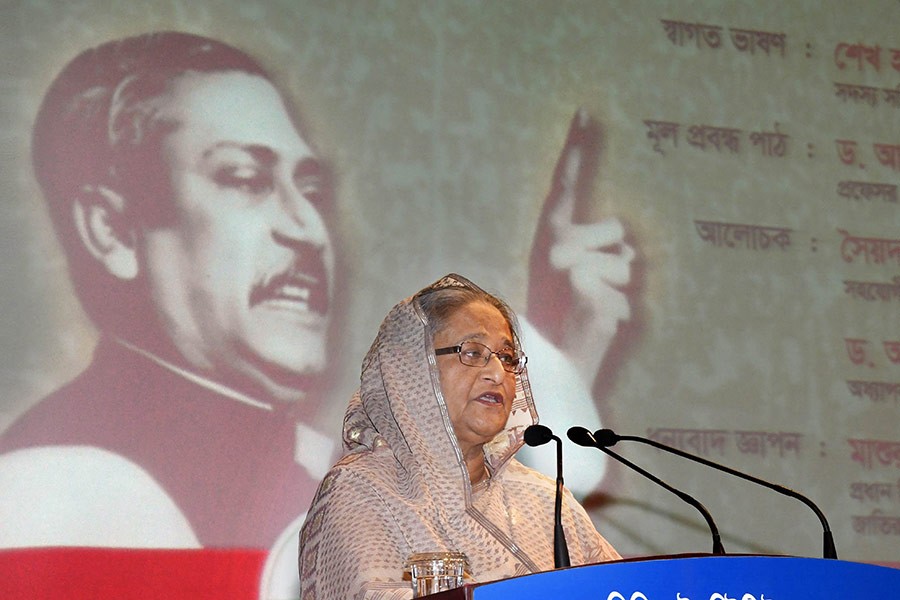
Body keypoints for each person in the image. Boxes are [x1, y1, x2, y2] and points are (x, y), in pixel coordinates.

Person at [0, 31, 338, 595]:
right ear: (112, 230)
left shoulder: (333, 464)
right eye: (246, 180)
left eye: (308, 189)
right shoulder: (49, 489)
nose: (309, 230)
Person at [298, 274, 620, 599]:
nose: (498, 373)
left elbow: (628, 589)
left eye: (507, 358)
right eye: (473, 352)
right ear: (411, 368)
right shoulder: (361, 492)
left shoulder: (546, 500)